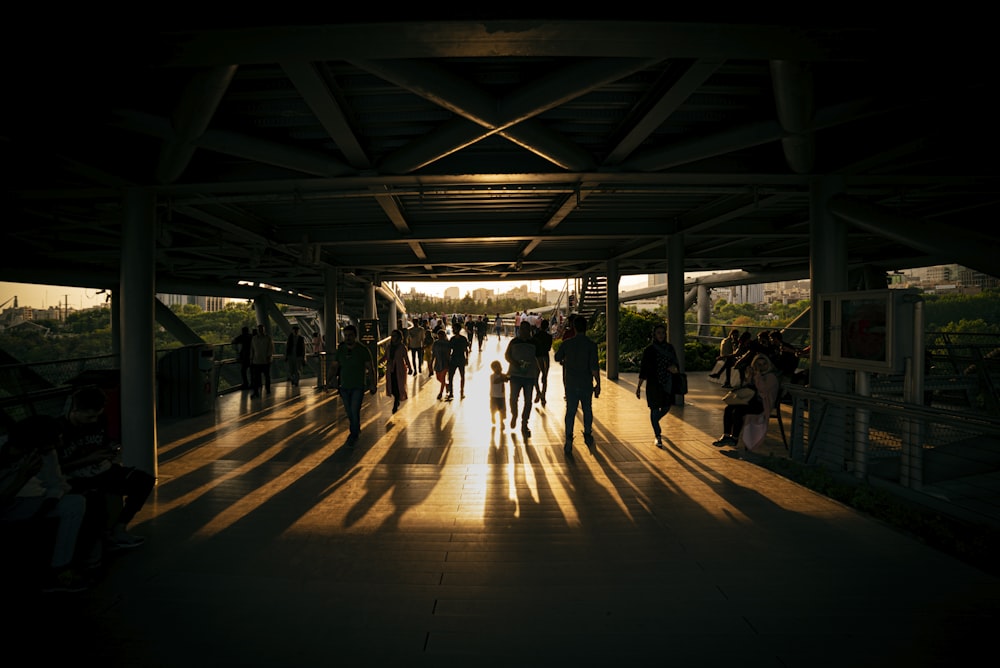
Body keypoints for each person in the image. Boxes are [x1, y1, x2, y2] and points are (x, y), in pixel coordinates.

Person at [1, 414, 92, 592]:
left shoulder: (43, 453)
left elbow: (55, 482)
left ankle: (60, 568)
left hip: (25, 503)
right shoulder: (7, 451)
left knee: (75, 503)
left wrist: (50, 502)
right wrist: (23, 477)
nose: (58, 445)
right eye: (53, 441)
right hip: (6, 506)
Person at [58, 385, 155, 550]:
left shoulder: (99, 420)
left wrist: (109, 450)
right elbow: (57, 467)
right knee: (96, 502)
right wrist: (88, 459)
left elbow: (102, 442)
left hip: (102, 470)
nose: (94, 420)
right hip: (76, 477)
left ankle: (119, 528)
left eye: (97, 415)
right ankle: (105, 536)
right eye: (89, 417)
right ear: (75, 410)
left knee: (144, 480)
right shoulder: (59, 430)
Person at [554, 314, 600, 454]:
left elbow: (556, 357)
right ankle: (587, 432)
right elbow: (594, 367)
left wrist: (566, 359)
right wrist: (598, 384)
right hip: (586, 383)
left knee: (571, 411)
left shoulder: (567, 344)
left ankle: (569, 436)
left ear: (573, 327)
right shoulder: (591, 345)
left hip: (571, 383)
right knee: (587, 409)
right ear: (586, 328)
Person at [713, 353, 780, 448]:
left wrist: (757, 376)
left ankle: (734, 438)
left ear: (768, 364)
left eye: (764, 364)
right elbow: (746, 386)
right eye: (759, 364)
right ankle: (726, 435)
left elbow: (762, 389)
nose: (762, 367)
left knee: (738, 411)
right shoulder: (756, 375)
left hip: (762, 404)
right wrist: (750, 376)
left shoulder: (770, 377)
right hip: (751, 402)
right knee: (728, 409)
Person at [330, 324, 377, 444]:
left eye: (350, 335)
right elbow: (334, 366)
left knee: (354, 409)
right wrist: (329, 380)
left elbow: (370, 368)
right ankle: (355, 426)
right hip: (344, 386)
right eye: (345, 335)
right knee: (349, 411)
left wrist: (372, 384)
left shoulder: (362, 350)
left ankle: (354, 433)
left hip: (358, 386)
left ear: (355, 336)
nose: (348, 338)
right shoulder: (341, 350)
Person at [635, 323, 680, 449]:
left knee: (666, 408)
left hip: (667, 384)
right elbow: (643, 370)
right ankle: (658, 435)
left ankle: (655, 422)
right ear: (654, 334)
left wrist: (675, 369)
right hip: (653, 385)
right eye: (658, 332)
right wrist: (639, 387)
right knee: (654, 409)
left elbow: (676, 364)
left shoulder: (670, 348)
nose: (661, 335)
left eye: (663, 333)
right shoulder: (649, 350)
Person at [506, 321, 541, 436]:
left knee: (528, 401)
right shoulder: (514, 342)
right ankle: (514, 414)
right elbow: (507, 355)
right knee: (513, 399)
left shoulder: (535, 343)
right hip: (515, 375)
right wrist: (514, 363)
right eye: (522, 329)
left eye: (526, 329)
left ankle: (524, 423)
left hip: (529, 377)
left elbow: (539, 359)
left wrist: (541, 373)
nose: (524, 331)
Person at [381, 329, 411, 414]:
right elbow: (385, 356)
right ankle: (396, 399)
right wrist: (380, 361)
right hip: (391, 370)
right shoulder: (389, 347)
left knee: (399, 386)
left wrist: (410, 368)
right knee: (392, 386)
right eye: (392, 336)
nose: (393, 338)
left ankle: (395, 403)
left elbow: (406, 358)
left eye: (394, 336)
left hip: (399, 369)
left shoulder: (402, 347)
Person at [447, 322, 471, 400]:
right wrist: (466, 358)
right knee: (461, 376)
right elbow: (466, 350)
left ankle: (453, 393)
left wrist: (448, 359)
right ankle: (460, 392)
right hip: (460, 358)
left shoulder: (453, 339)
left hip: (455, 359)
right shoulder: (463, 339)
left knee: (452, 376)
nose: (452, 329)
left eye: (453, 328)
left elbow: (449, 350)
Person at [532, 318, 553, 406]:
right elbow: (548, 348)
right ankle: (543, 396)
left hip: (537, 357)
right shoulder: (549, 337)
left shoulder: (536, 336)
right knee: (545, 377)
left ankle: (538, 392)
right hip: (545, 356)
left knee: (535, 377)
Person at [250, 323, 274, 398]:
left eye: (261, 329)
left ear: (264, 330)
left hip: (265, 361)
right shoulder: (254, 339)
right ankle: (256, 391)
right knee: (256, 377)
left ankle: (267, 389)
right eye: (259, 329)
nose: (260, 331)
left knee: (266, 376)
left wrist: (269, 357)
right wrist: (251, 358)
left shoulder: (268, 338)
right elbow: (252, 349)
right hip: (256, 361)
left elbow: (270, 348)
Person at [430, 328, 451, 399]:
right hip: (438, 362)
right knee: (438, 378)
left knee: (442, 377)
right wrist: (431, 362)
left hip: (445, 362)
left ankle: (440, 393)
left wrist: (449, 363)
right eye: (439, 335)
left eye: (441, 335)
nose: (440, 336)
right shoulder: (435, 343)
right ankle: (446, 385)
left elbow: (449, 353)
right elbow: (433, 353)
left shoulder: (447, 343)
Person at [231, 326, 254, 390]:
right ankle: (252, 383)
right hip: (252, 356)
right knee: (252, 371)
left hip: (245, 357)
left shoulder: (242, 337)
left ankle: (245, 384)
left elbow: (234, 341)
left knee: (243, 371)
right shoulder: (251, 336)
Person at [488, 360, 510, 427]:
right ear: (493, 369)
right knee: (493, 408)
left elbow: (507, 379)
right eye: (497, 367)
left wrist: (507, 376)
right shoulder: (492, 376)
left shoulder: (503, 375)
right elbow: (496, 381)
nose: (499, 368)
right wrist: (503, 378)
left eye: (500, 367)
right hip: (494, 396)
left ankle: (501, 421)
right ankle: (493, 416)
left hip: (501, 396)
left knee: (502, 409)